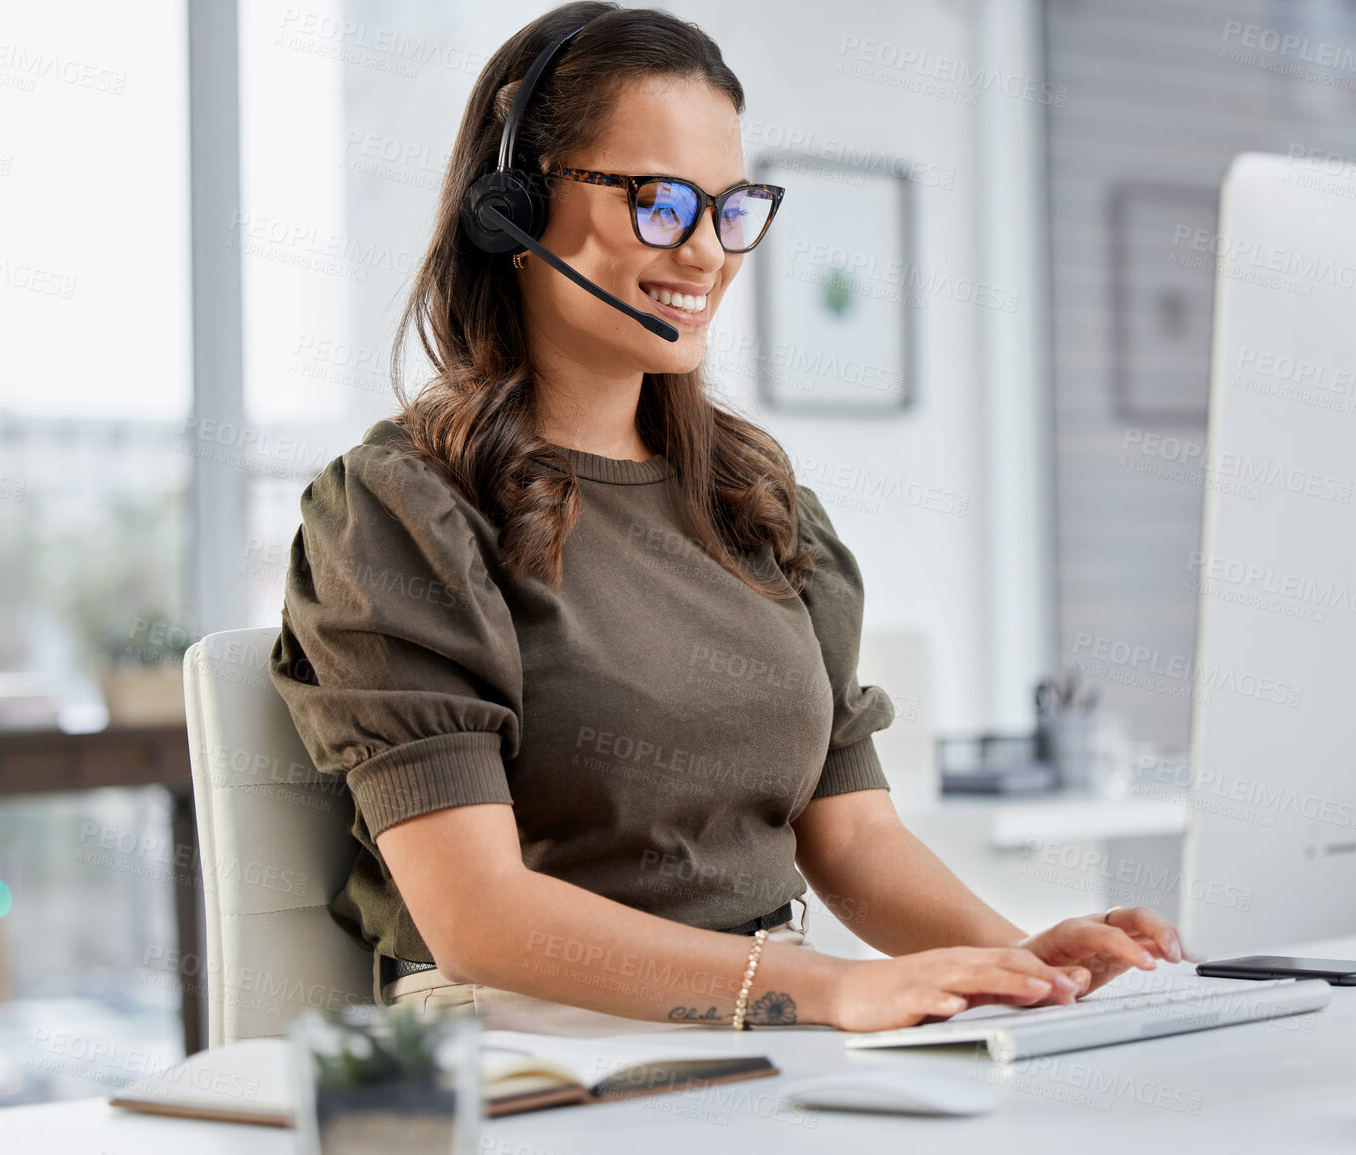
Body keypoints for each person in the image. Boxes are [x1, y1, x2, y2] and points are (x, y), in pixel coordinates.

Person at [270, 1, 1186, 1036]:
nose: (706, 252)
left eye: (731, 208)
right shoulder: (403, 509)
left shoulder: (757, 502)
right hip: (527, 1039)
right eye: (659, 204)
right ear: (513, 208)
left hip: (764, 1023)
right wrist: (828, 990)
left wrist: (1015, 960)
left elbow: (853, 841)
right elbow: (478, 915)